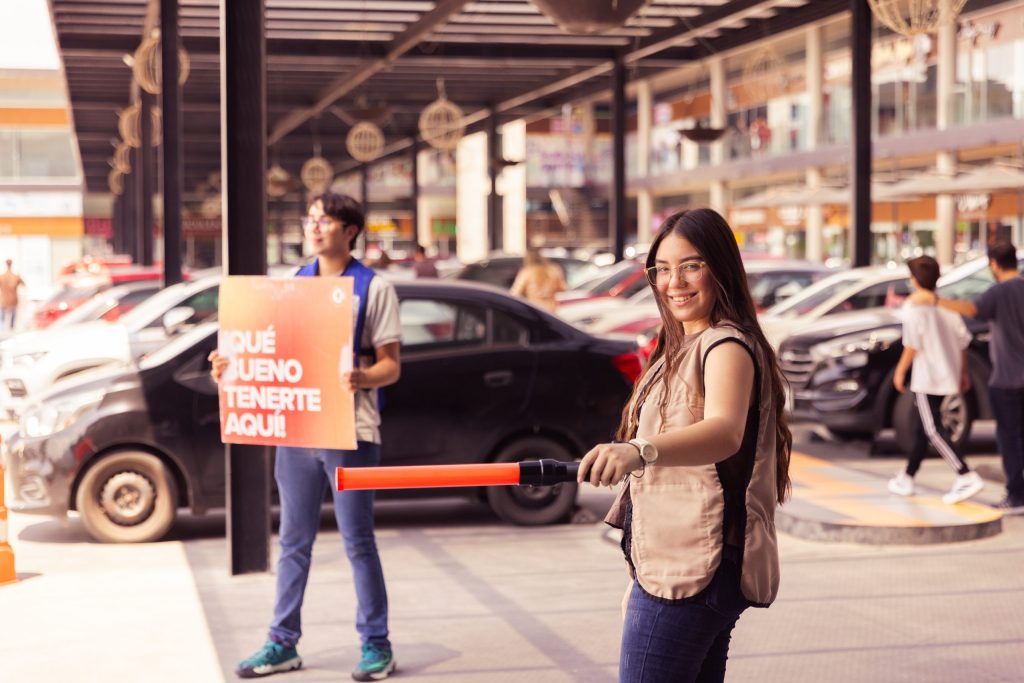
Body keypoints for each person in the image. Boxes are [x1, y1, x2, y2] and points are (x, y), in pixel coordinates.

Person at [577, 208, 791, 682]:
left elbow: (724, 431)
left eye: (691, 265)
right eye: (662, 269)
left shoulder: (725, 346)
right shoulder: (682, 345)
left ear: (720, 267)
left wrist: (638, 450)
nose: (675, 281)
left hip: (696, 567)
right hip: (676, 562)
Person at [210, 192, 402, 681]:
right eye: (310, 217)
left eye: (325, 219)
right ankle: (282, 642)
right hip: (298, 429)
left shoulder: (372, 288)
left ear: (350, 230)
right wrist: (231, 368)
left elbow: (391, 366)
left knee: (357, 541)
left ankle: (376, 644)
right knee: (293, 541)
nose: (314, 227)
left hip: (350, 431)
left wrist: (362, 378)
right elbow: (275, 354)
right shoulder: (295, 283)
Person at [917, 242, 1024, 513]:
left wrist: (937, 301)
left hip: (1006, 379)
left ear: (994, 265)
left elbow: (972, 310)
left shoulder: (999, 292)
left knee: (1009, 439)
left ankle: (1016, 495)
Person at [889, 256, 983, 504]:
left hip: (927, 377)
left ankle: (965, 474)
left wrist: (900, 372)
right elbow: (963, 343)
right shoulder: (948, 307)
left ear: (914, 280)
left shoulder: (914, 308)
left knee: (932, 429)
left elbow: (911, 345)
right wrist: (963, 374)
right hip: (948, 375)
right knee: (923, 429)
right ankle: (907, 476)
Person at [509, 247, 566, 313]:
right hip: (551, 308)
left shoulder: (527, 272)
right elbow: (563, 288)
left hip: (534, 307)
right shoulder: (554, 270)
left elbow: (515, 293)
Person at [0, 259, 25, 331]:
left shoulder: (2, 276)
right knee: (12, 315)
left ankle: (2, 328)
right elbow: (24, 285)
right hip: (13, 299)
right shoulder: (15, 276)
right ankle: (11, 328)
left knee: (2, 316)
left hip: (3, 299)